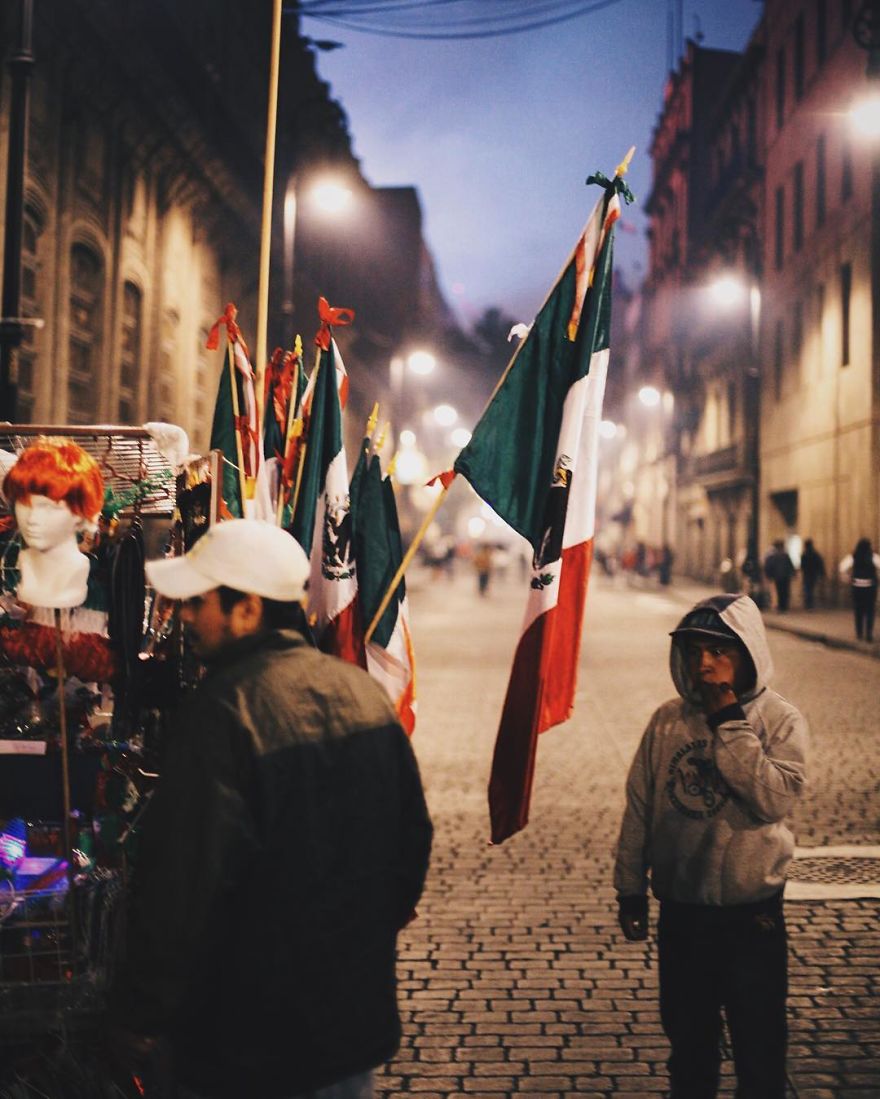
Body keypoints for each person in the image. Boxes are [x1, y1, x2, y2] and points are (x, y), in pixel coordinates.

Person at [109, 519, 433, 1099]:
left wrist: (141, 1011)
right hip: (349, 1029)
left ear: (247, 610)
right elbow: (411, 843)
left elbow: (181, 885)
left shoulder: (222, 712)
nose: (185, 617)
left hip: (246, 1045)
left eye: (198, 602)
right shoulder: (361, 693)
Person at [614, 593, 808, 1099]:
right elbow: (641, 806)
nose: (704, 663)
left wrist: (729, 724)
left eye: (719, 651)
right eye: (695, 651)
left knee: (759, 1044)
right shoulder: (667, 721)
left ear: (747, 653)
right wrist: (630, 888)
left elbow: (771, 798)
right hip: (684, 914)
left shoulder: (779, 721)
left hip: (752, 916)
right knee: (691, 1043)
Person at [3, 439, 104, 608]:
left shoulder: (102, 593)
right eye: (24, 504)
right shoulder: (14, 565)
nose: (32, 518)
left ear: (80, 514)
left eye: (49, 507)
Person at [839, 537, 880, 643]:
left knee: (859, 610)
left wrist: (846, 578)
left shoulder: (853, 556)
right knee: (870, 611)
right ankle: (869, 634)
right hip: (870, 588)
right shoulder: (873, 556)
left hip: (857, 587)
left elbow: (842, 567)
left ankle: (859, 633)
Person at [763, 539, 795, 612]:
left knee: (780, 591)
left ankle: (781, 607)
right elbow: (790, 565)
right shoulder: (785, 555)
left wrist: (769, 575)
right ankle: (784, 606)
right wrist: (792, 573)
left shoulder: (773, 556)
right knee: (785, 591)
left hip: (777, 577)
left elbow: (768, 566)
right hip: (785, 577)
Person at [799, 538, 826, 610]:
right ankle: (810, 604)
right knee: (811, 589)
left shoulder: (804, 554)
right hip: (813, 574)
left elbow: (802, 566)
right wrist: (822, 573)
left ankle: (808, 605)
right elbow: (820, 564)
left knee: (807, 589)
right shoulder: (815, 554)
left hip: (807, 574)